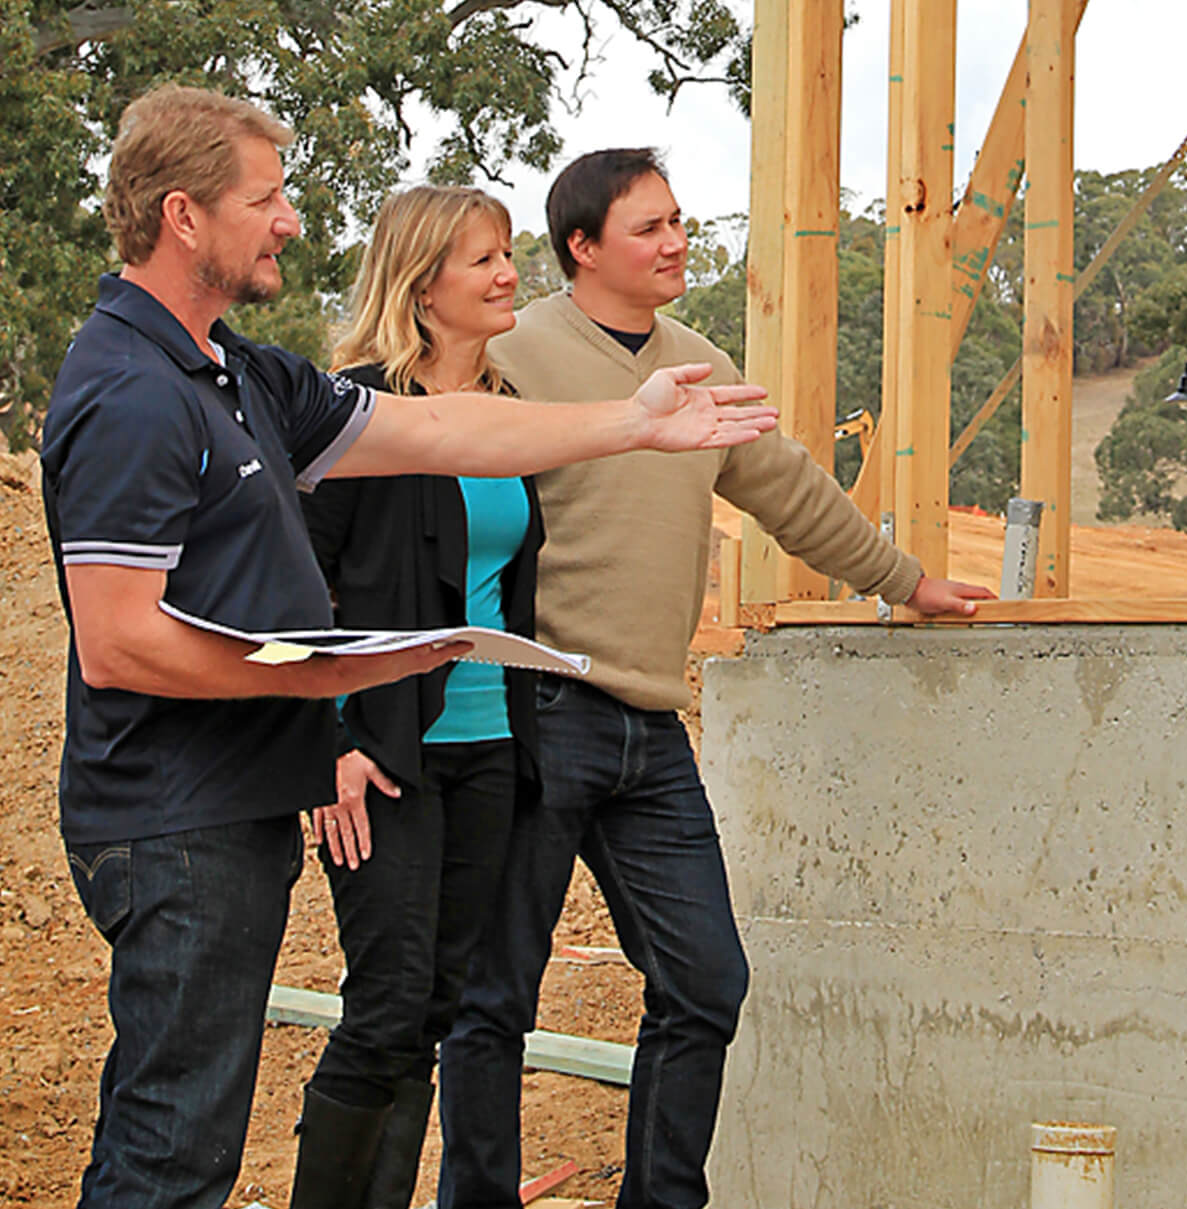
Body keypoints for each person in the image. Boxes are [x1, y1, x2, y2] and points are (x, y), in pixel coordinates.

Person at [39, 87, 777, 1209]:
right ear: (184, 217)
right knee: (169, 1152)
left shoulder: (237, 374)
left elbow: (436, 428)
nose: (289, 219)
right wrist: (336, 680)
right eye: (267, 197)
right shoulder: (134, 391)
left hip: (229, 810)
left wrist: (634, 422)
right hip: (169, 821)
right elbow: (120, 644)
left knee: (201, 1139)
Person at [435, 148, 995, 1209]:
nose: (676, 241)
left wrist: (904, 580)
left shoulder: (695, 361)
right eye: (647, 228)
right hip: (540, 705)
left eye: (679, 221)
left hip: (650, 724)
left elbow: (788, 489)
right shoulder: (521, 348)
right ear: (583, 248)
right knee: (495, 993)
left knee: (705, 982)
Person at [287, 184, 547, 1208]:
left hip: (490, 751)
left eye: (507, 253)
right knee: (387, 1007)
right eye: (483, 258)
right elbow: (297, 591)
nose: (506, 274)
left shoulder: (513, 416)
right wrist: (328, 740)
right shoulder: (355, 412)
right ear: (423, 284)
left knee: (432, 1011)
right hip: (383, 750)